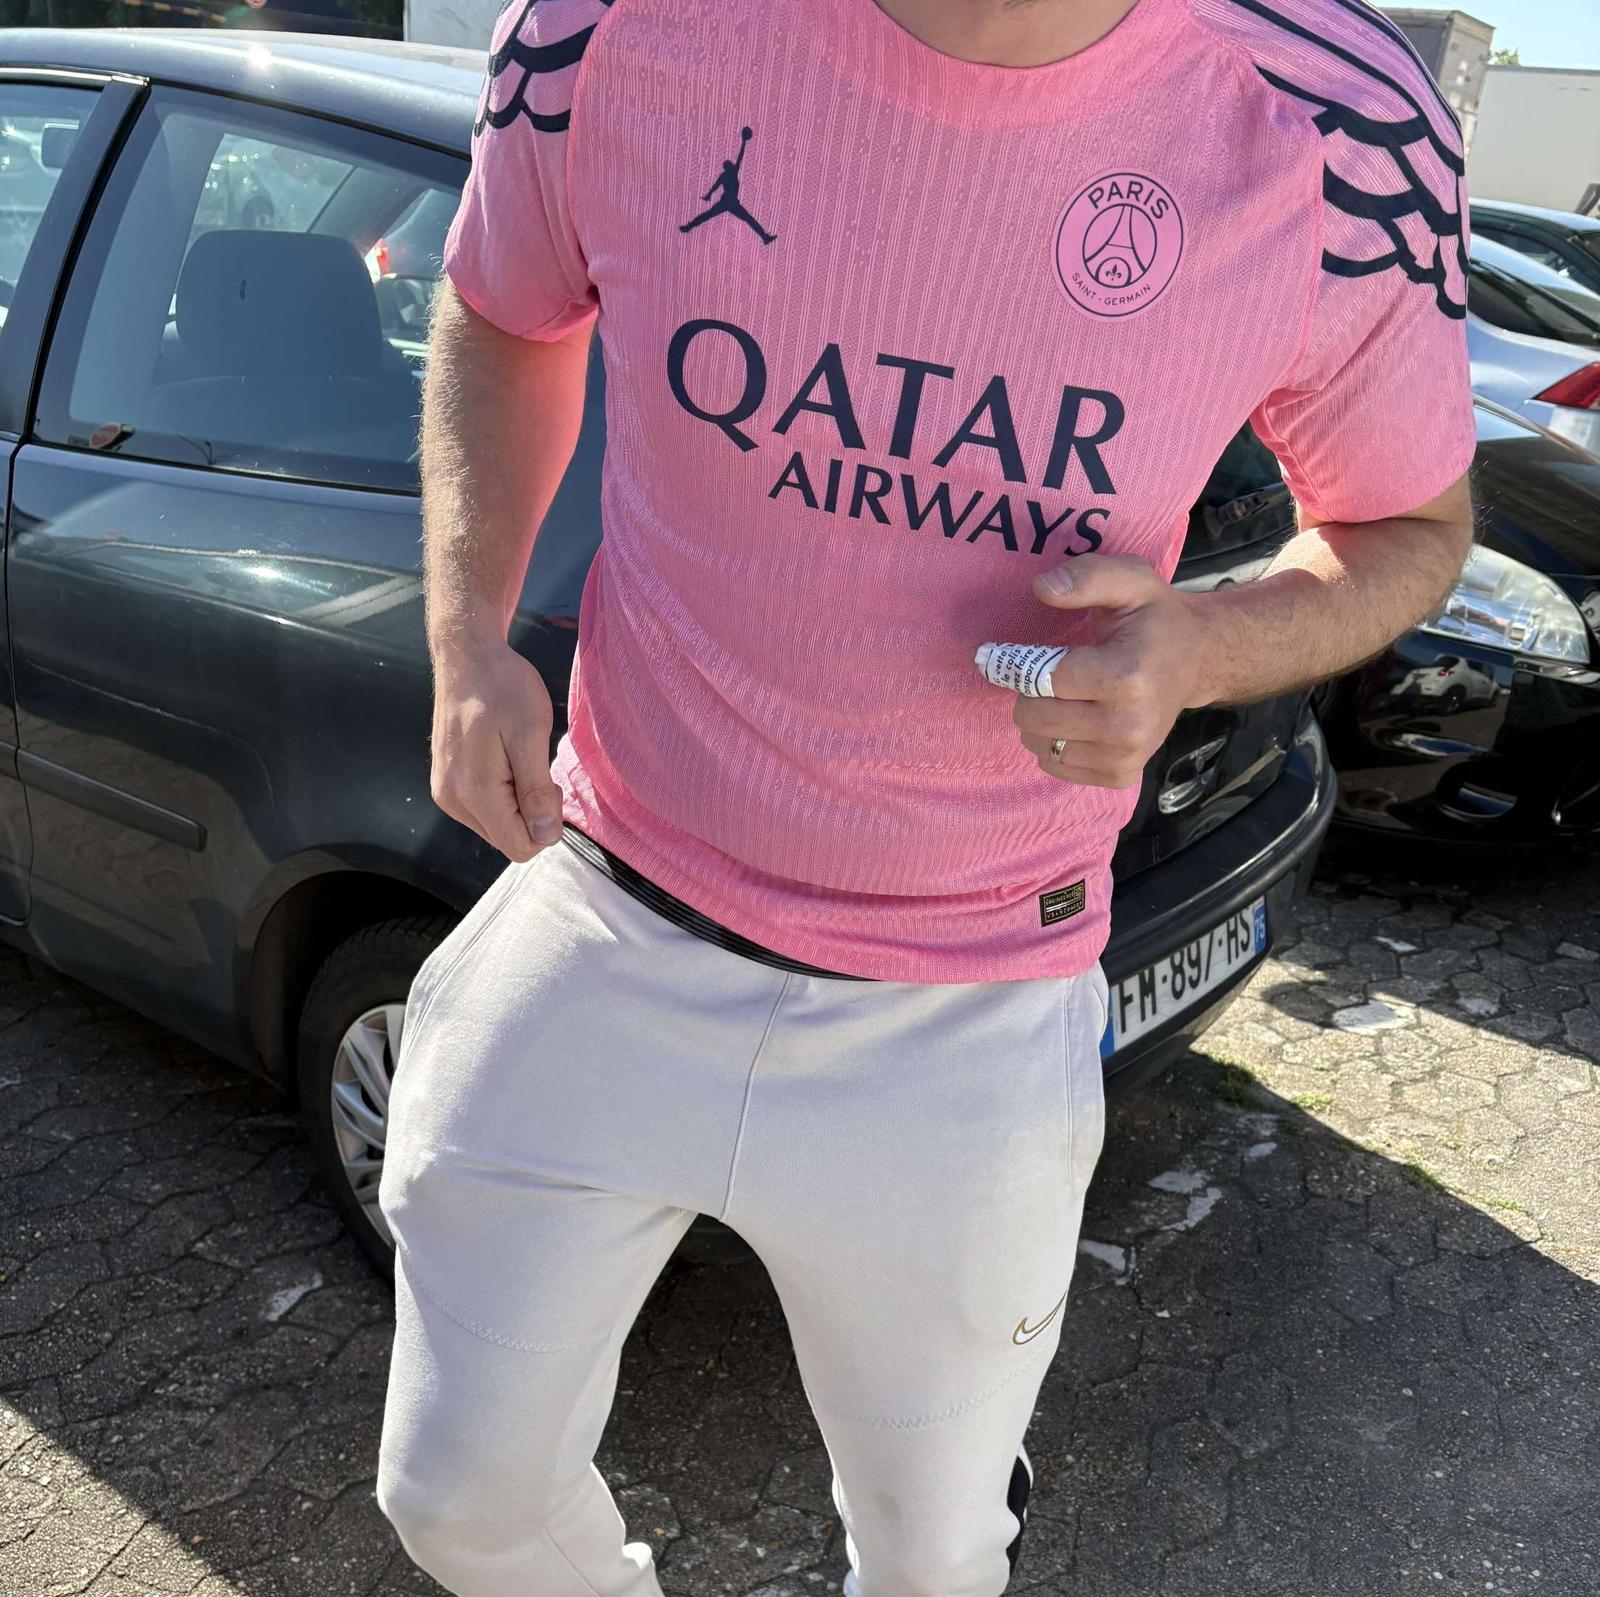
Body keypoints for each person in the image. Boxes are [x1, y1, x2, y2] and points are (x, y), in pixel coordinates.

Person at [374, 0, 1477, 1593]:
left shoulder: (1340, 116)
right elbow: (502, 308)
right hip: (610, 898)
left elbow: (1409, 526)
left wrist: (1202, 647)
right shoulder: (608, 22)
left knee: (934, 1559)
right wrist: (467, 632)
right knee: (457, 1493)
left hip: (974, 1001)